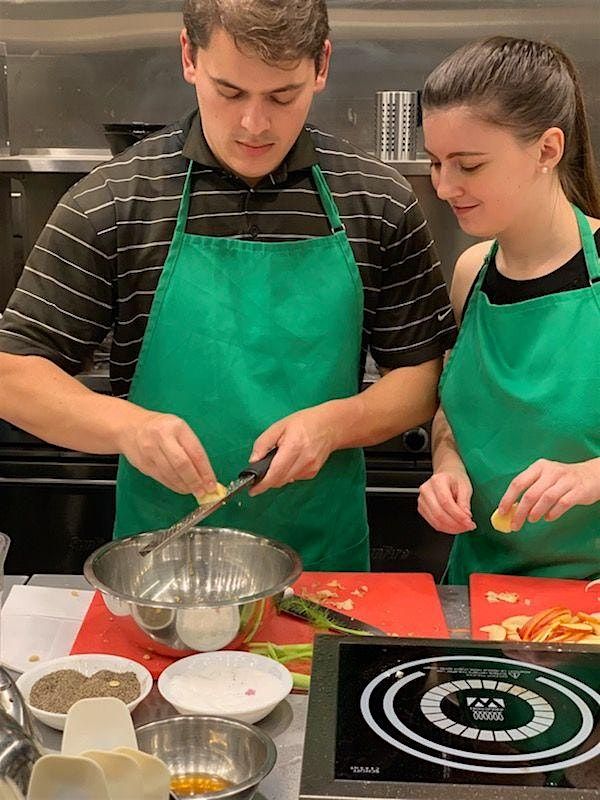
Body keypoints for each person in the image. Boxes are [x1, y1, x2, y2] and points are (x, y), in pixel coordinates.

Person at [0, 0, 455, 572]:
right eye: (231, 91)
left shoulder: (378, 201)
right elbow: (13, 374)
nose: (254, 124)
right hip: (161, 574)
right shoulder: (115, 202)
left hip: (323, 571)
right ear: (189, 57)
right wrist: (129, 428)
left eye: (282, 96)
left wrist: (334, 425)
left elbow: (422, 379)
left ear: (321, 66)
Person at [417, 36, 600, 583]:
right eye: (435, 162)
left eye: (468, 165)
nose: (446, 186)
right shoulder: (472, 272)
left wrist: (594, 476)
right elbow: (455, 413)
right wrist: (447, 465)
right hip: (481, 592)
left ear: (547, 149)